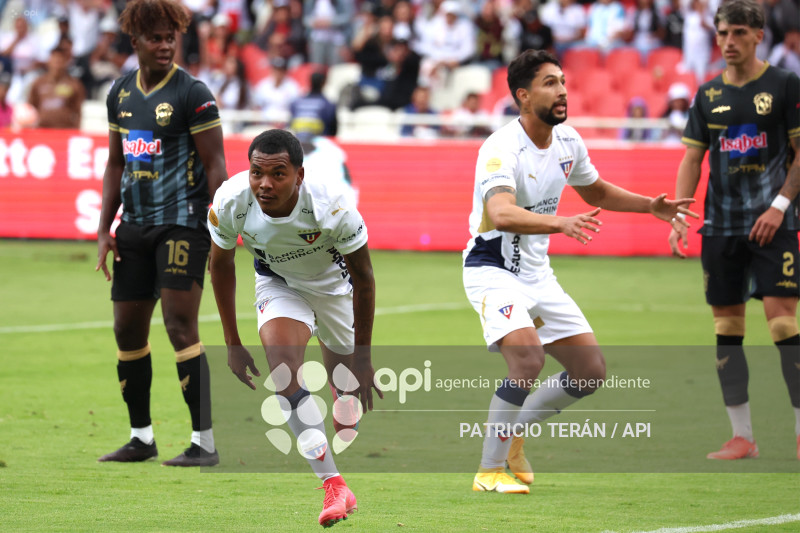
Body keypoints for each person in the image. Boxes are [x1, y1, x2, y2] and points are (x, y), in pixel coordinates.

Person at [465, 49, 696, 493]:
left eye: (563, 81)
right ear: (523, 95)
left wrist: (652, 206)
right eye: (550, 83)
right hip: (492, 269)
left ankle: (514, 430)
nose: (563, 91)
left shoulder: (568, 141)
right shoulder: (499, 148)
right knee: (528, 360)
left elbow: (596, 190)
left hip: (536, 273)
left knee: (590, 371)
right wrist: (559, 222)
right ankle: (489, 470)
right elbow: (502, 213)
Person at [207, 129, 380, 526]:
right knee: (283, 371)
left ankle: (344, 392)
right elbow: (220, 264)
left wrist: (364, 359)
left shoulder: (333, 205)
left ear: (298, 175)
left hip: (335, 287)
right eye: (256, 173)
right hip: (278, 283)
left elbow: (365, 280)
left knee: (347, 385)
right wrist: (232, 342)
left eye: (278, 174)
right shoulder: (231, 200)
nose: (265, 184)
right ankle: (333, 484)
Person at [95, 0, 228, 467]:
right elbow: (116, 164)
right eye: (156, 37)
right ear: (136, 42)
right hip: (132, 227)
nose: (167, 44)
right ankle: (141, 437)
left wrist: (219, 229)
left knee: (178, 325)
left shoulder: (193, 93)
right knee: (126, 329)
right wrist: (104, 229)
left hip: (183, 224)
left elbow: (216, 165)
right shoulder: (120, 94)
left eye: (172, 36)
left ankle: (204, 442)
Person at [668, 0, 800, 461]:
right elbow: (691, 159)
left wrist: (780, 207)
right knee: (727, 328)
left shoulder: (784, 85)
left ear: (758, 35)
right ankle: (742, 436)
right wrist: (681, 215)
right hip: (720, 227)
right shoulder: (707, 95)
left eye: (739, 33)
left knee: (784, 323)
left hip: (772, 224)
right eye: (722, 33)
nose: (728, 42)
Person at [27, 46, 86, 129]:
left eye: (60, 60)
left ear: (66, 62)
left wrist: (76, 132)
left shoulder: (74, 85)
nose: (57, 63)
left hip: (64, 131)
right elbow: (31, 108)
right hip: (41, 131)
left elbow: (78, 112)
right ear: (49, 61)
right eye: (54, 59)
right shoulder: (38, 83)